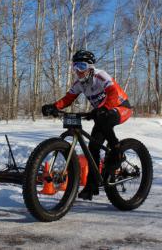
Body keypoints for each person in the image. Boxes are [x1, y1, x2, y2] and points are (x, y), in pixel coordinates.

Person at [42, 50, 132, 200]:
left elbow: (113, 93)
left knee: (104, 119)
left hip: (121, 107)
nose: (78, 71)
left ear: (90, 67)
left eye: (82, 66)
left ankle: (117, 150)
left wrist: (103, 108)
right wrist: (54, 106)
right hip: (102, 113)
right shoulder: (79, 84)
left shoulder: (100, 75)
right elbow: (68, 99)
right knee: (93, 147)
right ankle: (92, 186)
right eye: (75, 67)